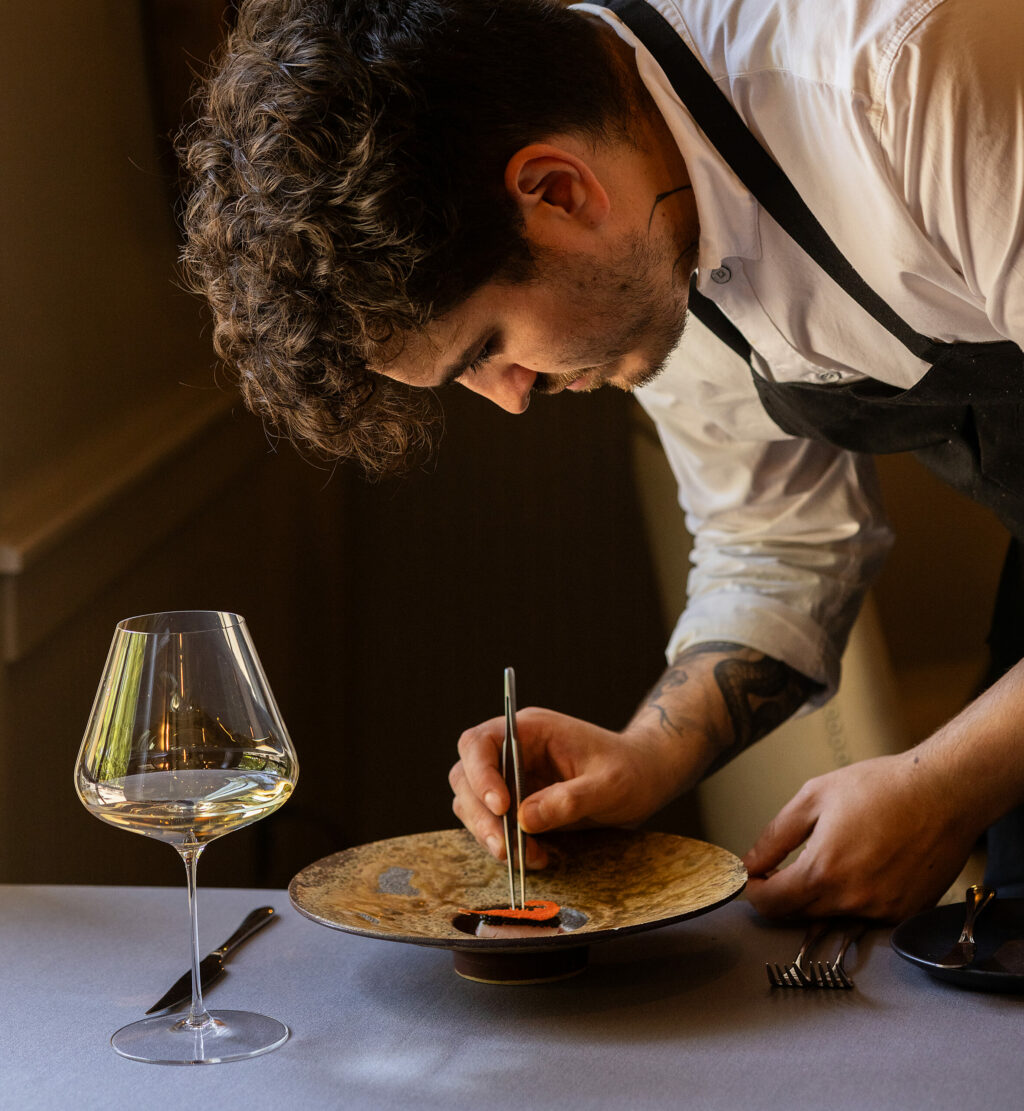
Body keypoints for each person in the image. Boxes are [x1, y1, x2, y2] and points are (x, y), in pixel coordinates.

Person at [179, 0, 1024, 920]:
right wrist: (649, 754)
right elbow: (780, 541)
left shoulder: (910, 78)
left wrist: (945, 782)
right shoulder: (640, 229)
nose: (508, 397)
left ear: (558, 191)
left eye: (488, 345)